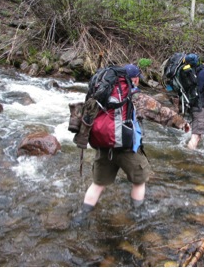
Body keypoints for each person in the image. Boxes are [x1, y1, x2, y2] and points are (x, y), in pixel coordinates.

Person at [72, 64, 189, 226]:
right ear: (133, 78)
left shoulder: (101, 93)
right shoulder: (135, 96)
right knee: (139, 182)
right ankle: (138, 215)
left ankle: (82, 216)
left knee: (98, 184)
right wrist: (182, 124)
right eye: (137, 77)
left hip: (103, 145)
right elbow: (161, 112)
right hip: (128, 148)